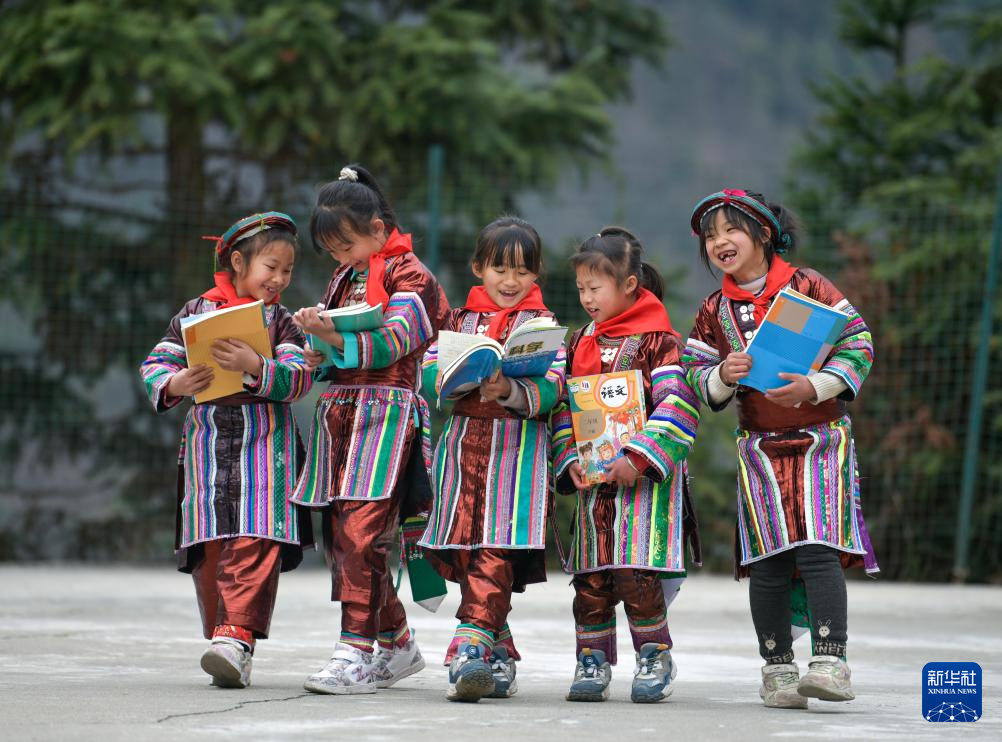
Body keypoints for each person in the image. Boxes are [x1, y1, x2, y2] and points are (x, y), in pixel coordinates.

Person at [683, 188, 878, 709]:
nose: (720, 242)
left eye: (731, 229)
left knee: (817, 549)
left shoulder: (809, 285)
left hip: (822, 441)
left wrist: (815, 386)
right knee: (767, 559)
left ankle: (831, 662)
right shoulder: (712, 309)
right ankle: (777, 670)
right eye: (710, 236)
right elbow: (695, 371)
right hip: (758, 448)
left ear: (764, 233)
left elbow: (858, 343)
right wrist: (723, 374)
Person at [291, 165, 449, 695]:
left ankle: (354, 653)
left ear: (378, 229)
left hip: (386, 418)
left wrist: (334, 338)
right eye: (332, 251)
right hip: (341, 417)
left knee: (361, 537)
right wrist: (316, 349)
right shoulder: (346, 277)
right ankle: (396, 643)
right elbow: (333, 350)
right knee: (344, 541)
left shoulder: (413, 276)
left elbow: (395, 343)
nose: (341, 258)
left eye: (347, 245)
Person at [140, 212, 313, 689]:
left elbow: (299, 378)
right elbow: (157, 362)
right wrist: (177, 382)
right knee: (212, 543)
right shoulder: (194, 312)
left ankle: (237, 638)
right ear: (238, 262)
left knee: (256, 536)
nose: (279, 279)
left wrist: (256, 364)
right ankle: (226, 640)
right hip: (208, 443)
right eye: (271, 267)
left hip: (266, 445)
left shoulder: (283, 323)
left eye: (287, 270)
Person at [418, 216, 566, 702]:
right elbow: (430, 373)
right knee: (463, 549)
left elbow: (555, 386)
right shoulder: (457, 322)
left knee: (496, 549)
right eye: (500, 268)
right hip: (461, 449)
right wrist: (454, 377)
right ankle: (499, 653)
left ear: (536, 273)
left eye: (522, 271)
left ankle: (469, 649)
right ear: (478, 267)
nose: (510, 280)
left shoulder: (544, 327)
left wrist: (509, 390)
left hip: (517, 455)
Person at [552, 227, 701, 704]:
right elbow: (562, 406)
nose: (587, 298)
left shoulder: (660, 341)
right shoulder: (578, 342)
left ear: (630, 285)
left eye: (596, 287)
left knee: (637, 576)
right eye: (581, 288)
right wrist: (569, 459)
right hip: (595, 485)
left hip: (644, 488)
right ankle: (591, 660)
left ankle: (654, 655)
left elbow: (678, 403)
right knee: (591, 580)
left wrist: (638, 458)